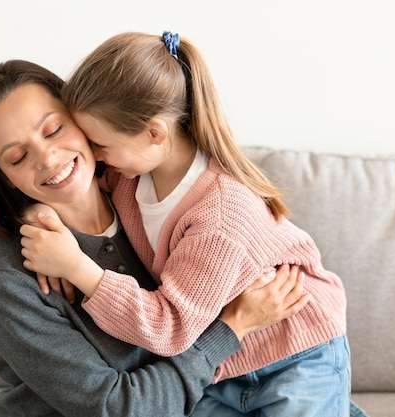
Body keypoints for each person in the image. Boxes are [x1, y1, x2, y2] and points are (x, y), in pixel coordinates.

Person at [19, 31, 365, 417]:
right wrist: (41, 215)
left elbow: (170, 328)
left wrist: (76, 267)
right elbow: (69, 191)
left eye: (100, 144)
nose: (93, 155)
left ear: (154, 133)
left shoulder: (218, 215)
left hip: (296, 351)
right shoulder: (128, 174)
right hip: (225, 365)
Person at [0, 59, 310, 417]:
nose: (47, 157)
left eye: (53, 130)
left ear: (84, 122)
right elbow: (120, 408)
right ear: (5, 177)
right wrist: (231, 328)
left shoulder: (145, 196)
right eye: (18, 157)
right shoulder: (6, 279)